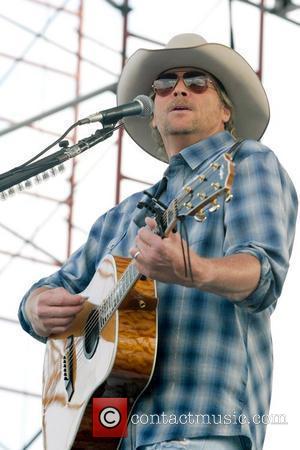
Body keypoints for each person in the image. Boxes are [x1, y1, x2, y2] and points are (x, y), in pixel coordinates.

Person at [18, 34, 297, 450]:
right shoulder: (120, 216)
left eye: (197, 81)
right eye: (165, 84)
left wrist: (194, 270)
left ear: (225, 110)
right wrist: (35, 308)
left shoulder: (246, 162)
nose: (179, 89)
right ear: (151, 112)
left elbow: (264, 277)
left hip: (199, 428)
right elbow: (55, 287)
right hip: (107, 436)